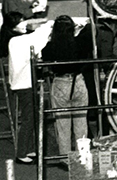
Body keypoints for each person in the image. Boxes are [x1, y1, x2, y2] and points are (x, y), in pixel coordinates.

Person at [40, 15, 93, 161]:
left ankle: (65, 158)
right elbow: (89, 30)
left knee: (63, 125)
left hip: (60, 83)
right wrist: (79, 29)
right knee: (81, 123)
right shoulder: (79, 43)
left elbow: (44, 58)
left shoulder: (50, 47)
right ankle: (82, 156)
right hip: (78, 81)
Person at [0, 11, 36, 164]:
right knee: (29, 118)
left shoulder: (12, 39)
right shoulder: (17, 41)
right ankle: (21, 153)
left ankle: (29, 148)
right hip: (24, 83)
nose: (24, 24)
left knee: (31, 116)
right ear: (13, 26)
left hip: (21, 83)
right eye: (21, 22)